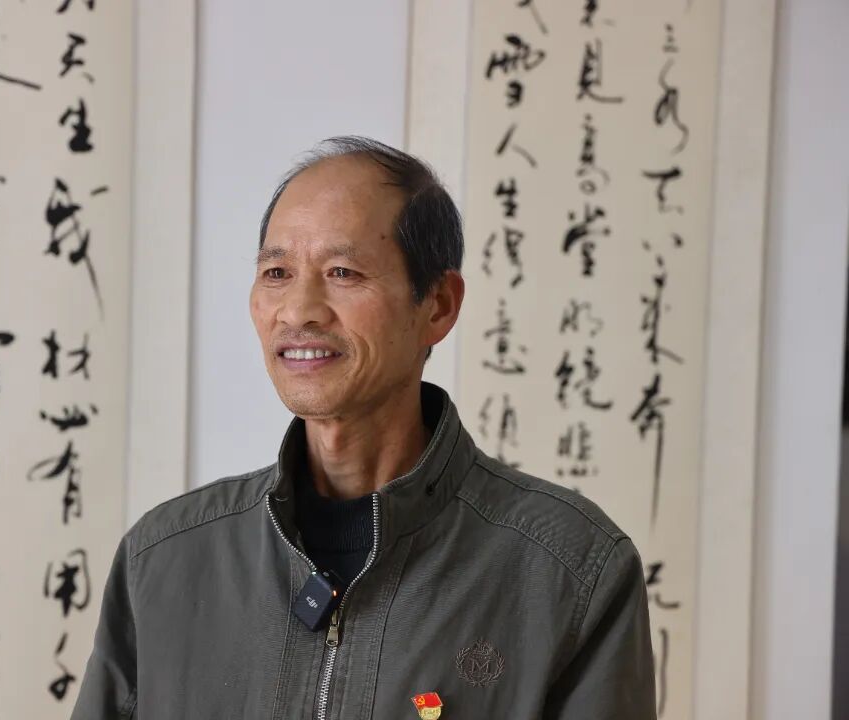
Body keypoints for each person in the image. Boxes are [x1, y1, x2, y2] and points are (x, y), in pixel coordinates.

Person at [70, 136, 655, 719]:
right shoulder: (165, 560)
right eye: (277, 272)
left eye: (342, 272)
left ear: (438, 304)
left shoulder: (568, 569)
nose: (298, 310)